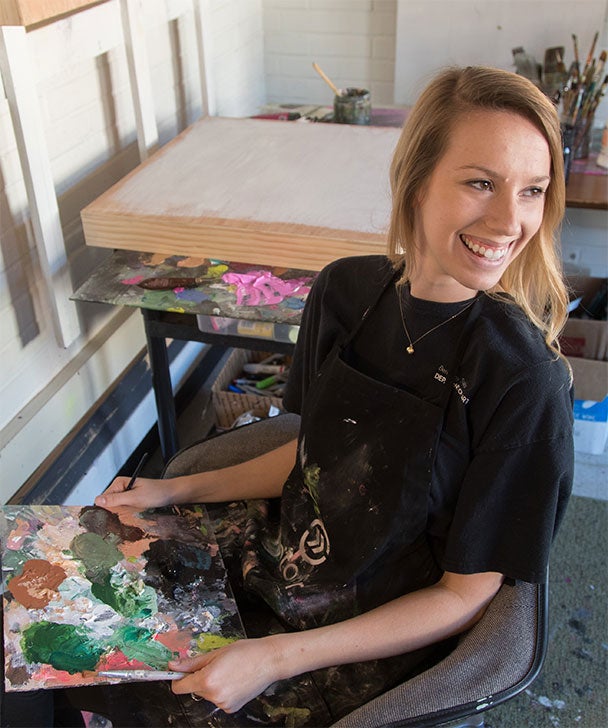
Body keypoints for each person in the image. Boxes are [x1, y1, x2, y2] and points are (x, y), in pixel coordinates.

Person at [84, 65, 574, 726]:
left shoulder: (521, 377)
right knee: (83, 613)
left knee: (166, 698)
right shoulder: (346, 293)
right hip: (282, 553)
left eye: (533, 190)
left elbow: (464, 597)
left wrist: (276, 658)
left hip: (373, 629)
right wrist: (171, 493)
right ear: (417, 178)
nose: (508, 220)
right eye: (480, 182)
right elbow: (316, 458)